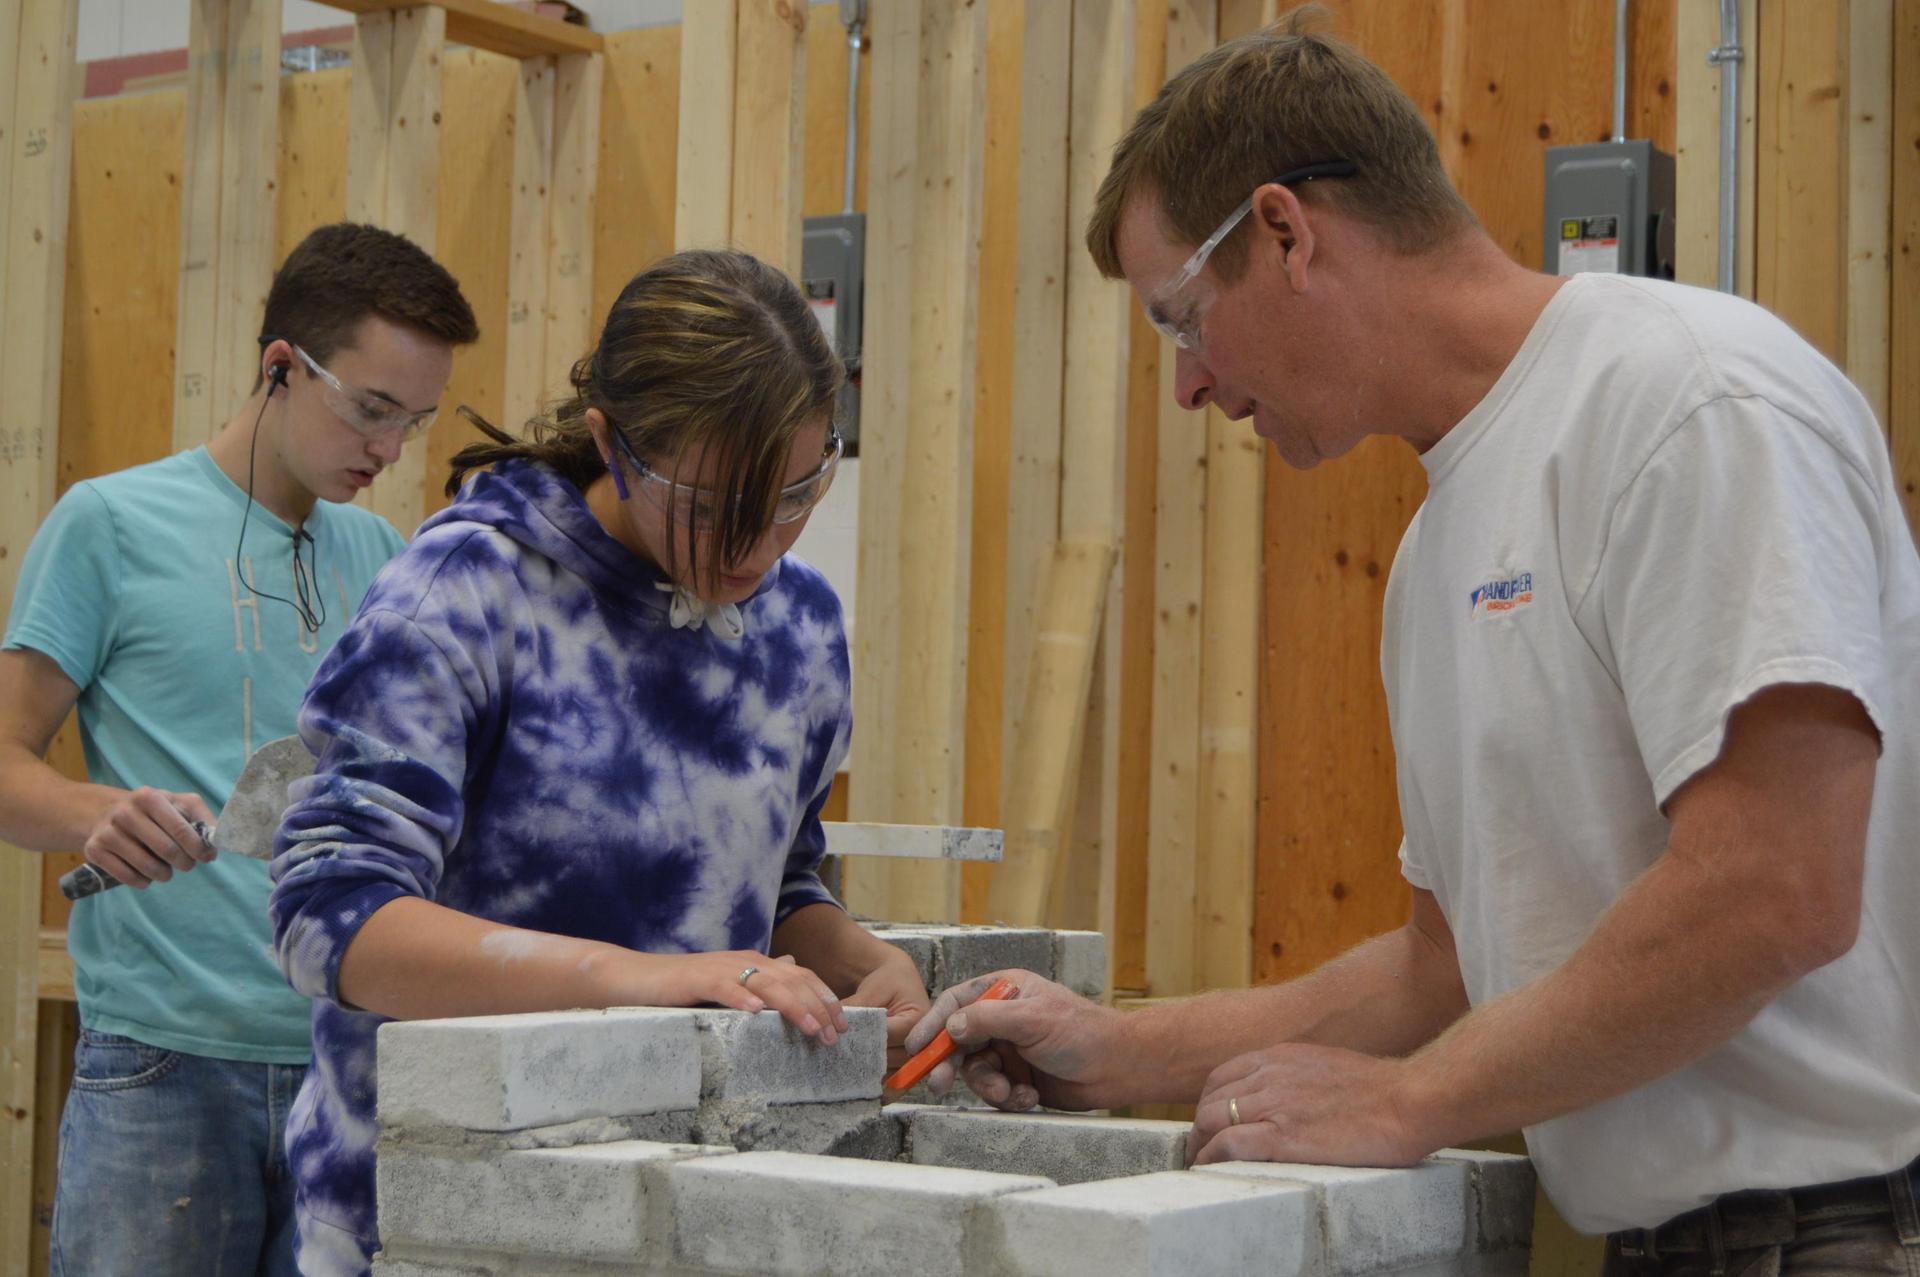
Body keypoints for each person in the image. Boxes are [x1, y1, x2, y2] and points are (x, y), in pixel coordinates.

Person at [908, 10, 1920, 1273]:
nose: (1190, 387)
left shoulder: (1689, 401)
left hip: (1838, 1230)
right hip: (1663, 1243)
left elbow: (1778, 886)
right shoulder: (1440, 552)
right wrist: (1124, 1049)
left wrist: (1407, 1102)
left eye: (1181, 319)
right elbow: (1443, 965)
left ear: (1285, 231)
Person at [267, 248, 931, 1277]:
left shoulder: (798, 627)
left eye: (800, 493)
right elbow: (330, 913)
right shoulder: (468, 594)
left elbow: (778, 882)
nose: (757, 549)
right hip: (431, 1216)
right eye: (713, 508)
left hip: (684, 1210)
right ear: (611, 444)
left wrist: (857, 963)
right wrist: (648, 982)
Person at [0, 222, 478, 1276]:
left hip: (349, 1058)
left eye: (414, 421)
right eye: (370, 407)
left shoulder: (389, 558)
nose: (389, 449)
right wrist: (94, 813)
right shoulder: (111, 525)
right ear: (280, 366)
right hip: (164, 1066)